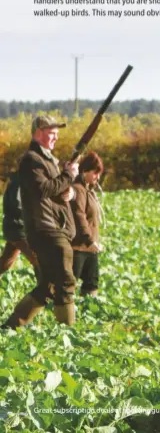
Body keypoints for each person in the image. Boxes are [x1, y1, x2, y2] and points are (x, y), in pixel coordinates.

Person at [1, 115, 79, 329]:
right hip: (45, 228)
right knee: (65, 282)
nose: (55, 136)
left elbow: (55, 188)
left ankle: (9, 327)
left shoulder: (48, 160)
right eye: (50, 132)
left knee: (49, 286)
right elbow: (43, 189)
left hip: (54, 227)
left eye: (56, 132)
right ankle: (68, 336)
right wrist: (68, 175)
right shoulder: (31, 160)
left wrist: (69, 191)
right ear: (37, 132)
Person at [70, 152, 104, 298]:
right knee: (69, 283)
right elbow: (79, 216)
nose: (98, 177)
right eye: (95, 173)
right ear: (84, 171)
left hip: (90, 247)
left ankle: (86, 313)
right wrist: (89, 240)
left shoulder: (89, 190)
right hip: (78, 246)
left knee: (91, 283)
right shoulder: (78, 189)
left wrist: (93, 243)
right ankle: (61, 314)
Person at [0, 171, 40, 281]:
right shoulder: (19, 182)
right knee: (38, 258)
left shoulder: (23, 180)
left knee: (6, 261)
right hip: (17, 228)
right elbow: (17, 205)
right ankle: (43, 290)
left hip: (16, 227)